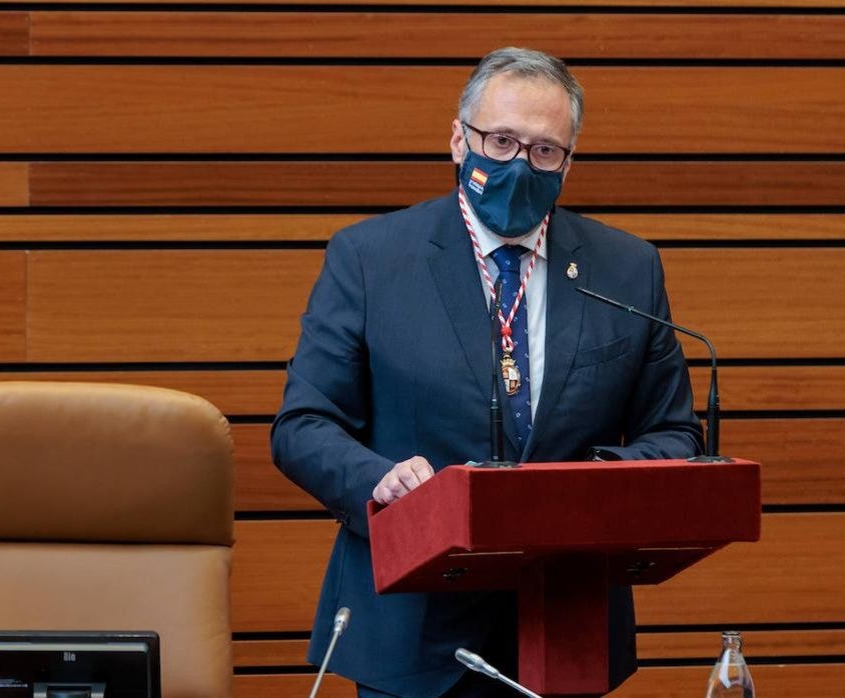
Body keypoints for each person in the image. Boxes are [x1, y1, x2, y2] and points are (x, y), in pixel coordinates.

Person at [271, 47, 703, 697]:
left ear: (569, 160)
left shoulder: (628, 269)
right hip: (414, 636)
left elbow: (674, 435)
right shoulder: (370, 259)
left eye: (544, 151)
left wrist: (587, 492)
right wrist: (380, 480)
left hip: (566, 632)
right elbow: (303, 425)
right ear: (458, 139)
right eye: (501, 141)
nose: (520, 165)